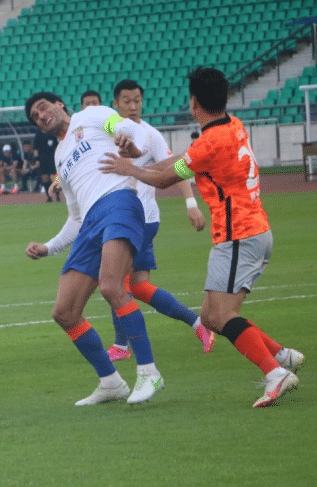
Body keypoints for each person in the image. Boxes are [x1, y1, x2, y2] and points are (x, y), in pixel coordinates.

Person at [100, 67, 304, 408]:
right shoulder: (232, 125)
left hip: (239, 235)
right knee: (210, 316)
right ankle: (281, 356)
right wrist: (142, 161)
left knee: (222, 316)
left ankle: (275, 373)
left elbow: (166, 179)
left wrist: (130, 169)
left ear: (194, 103)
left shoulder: (209, 142)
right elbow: (183, 161)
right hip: (247, 232)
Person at [24, 91, 164, 406]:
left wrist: (130, 143)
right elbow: (75, 218)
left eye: (43, 107)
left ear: (59, 104)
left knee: (112, 286)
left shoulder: (91, 115)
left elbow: (127, 127)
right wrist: (48, 247)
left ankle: (149, 371)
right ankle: (111, 382)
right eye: (35, 116)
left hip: (118, 201)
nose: (41, 116)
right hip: (90, 222)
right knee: (64, 312)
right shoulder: (60, 156)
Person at [105, 79, 214, 361]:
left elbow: (178, 168)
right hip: (123, 218)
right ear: (115, 104)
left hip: (140, 219)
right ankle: (198, 324)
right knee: (139, 287)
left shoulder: (150, 135)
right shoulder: (107, 133)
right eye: (127, 101)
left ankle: (121, 346)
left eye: (137, 100)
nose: (133, 106)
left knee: (116, 281)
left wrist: (191, 204)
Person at [33, 128, 59, 202]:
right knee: (44, 178)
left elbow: (56, 147)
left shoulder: (52, 134)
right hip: (42, 159)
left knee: (54, 177)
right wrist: (37, 160)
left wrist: (57, 157)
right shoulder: (38, 135)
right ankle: (49, 197)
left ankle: (57, 196)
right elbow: (35, 149)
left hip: (52, 158)